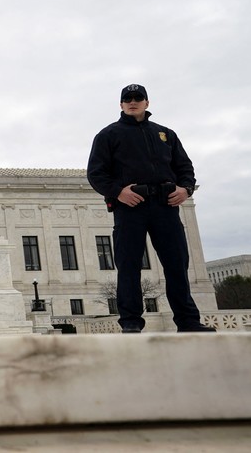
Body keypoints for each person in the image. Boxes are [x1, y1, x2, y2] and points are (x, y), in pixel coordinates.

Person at [87, 84, 215, 334]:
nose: (132, 102)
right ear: (121, 104)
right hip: (131, 206)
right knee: (129, 264)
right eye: (127, 99)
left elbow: (184, 167)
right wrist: (119, 192)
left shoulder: (166, 134)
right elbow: (95, 173)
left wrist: (186, 189)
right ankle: (131, 322)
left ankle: (188, 321)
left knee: (177, 263)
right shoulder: (108, 135)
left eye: (137, 98)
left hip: (165, 205)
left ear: (147, 102)